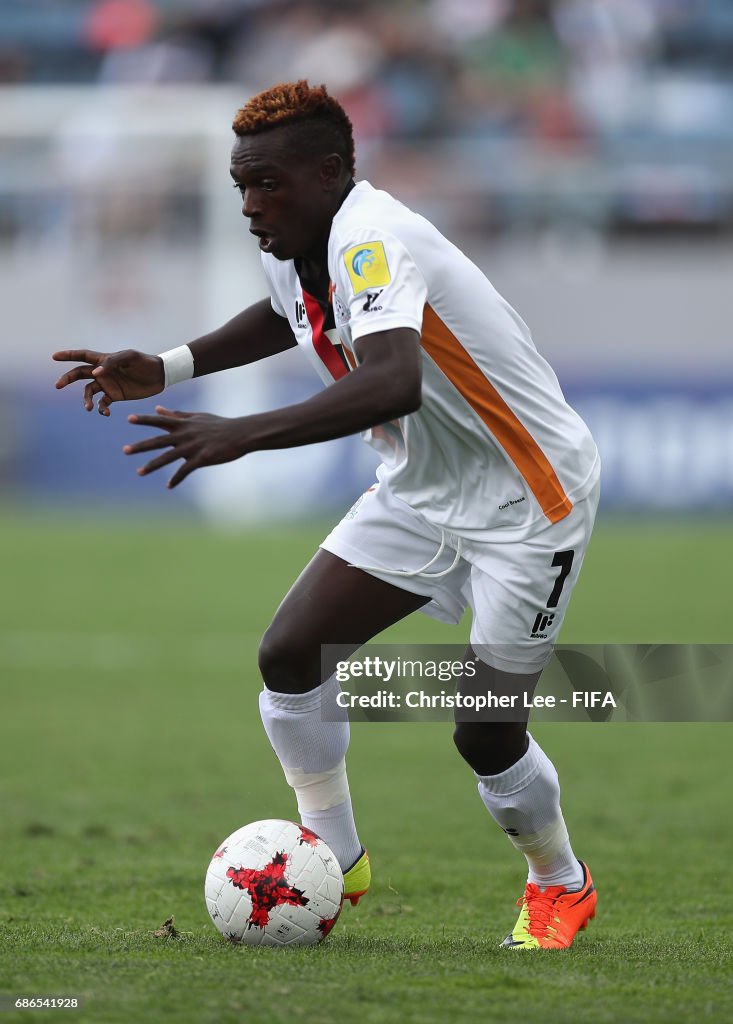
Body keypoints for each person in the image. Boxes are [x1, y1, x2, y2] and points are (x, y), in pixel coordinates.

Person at [53, 80, 600, 949]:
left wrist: (242, 434)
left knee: (485, 731)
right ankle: (337, 857)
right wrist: (169, 365)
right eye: (242, 185)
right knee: (289, 654)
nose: (250, 204)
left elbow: (391, 379)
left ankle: (559, 881)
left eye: (268, 184)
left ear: (331, 172)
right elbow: (284, 313)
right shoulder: (295, 239)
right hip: (422, 485)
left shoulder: (374, 239)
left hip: (526, 498)